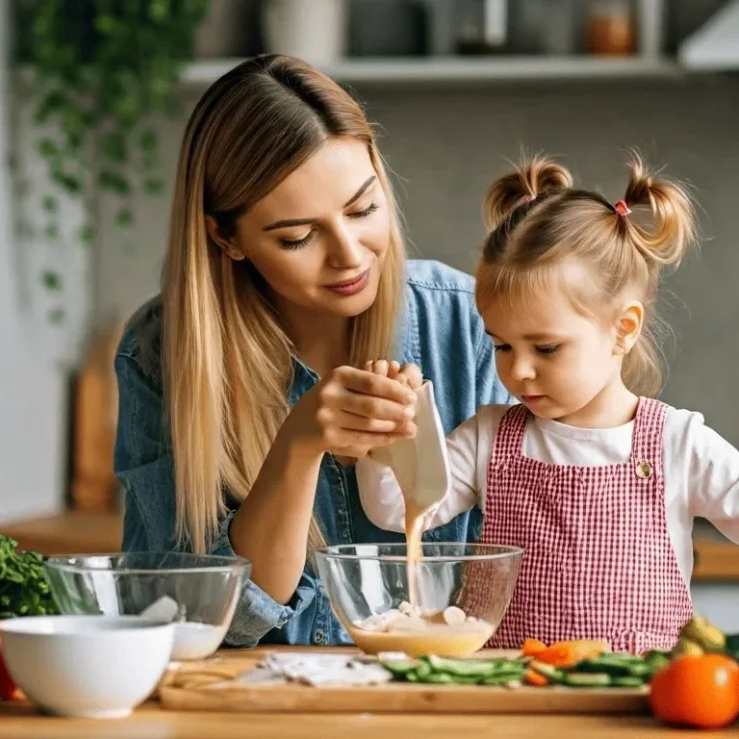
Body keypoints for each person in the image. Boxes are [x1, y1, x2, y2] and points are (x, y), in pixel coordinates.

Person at [113, 54, 511, 648]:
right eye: (298, 236)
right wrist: (297, 447)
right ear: (226, 236)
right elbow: (188, 626)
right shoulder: (162, 358)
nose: (349, 254)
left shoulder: (472, 323)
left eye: (363, 209)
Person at [357, 154, 739, 653]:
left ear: (622, 329)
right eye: (502, 345)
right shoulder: (488, 438)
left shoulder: (676, 444)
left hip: (633, 706)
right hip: (509, 698)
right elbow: (397, 510)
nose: (518, 370)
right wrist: (384, 439)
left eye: (546, 348)